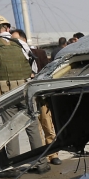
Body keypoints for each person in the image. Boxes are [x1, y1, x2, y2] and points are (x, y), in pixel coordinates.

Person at [11, 29, 59, 164]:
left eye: (16, 40)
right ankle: (42, 155)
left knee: (47, 125)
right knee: (35, 129)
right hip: (26, 98)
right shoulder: (14, 58)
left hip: (40, 95)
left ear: (23, 40)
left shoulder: (38, 53)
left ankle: (53, 154)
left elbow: (48, 71)